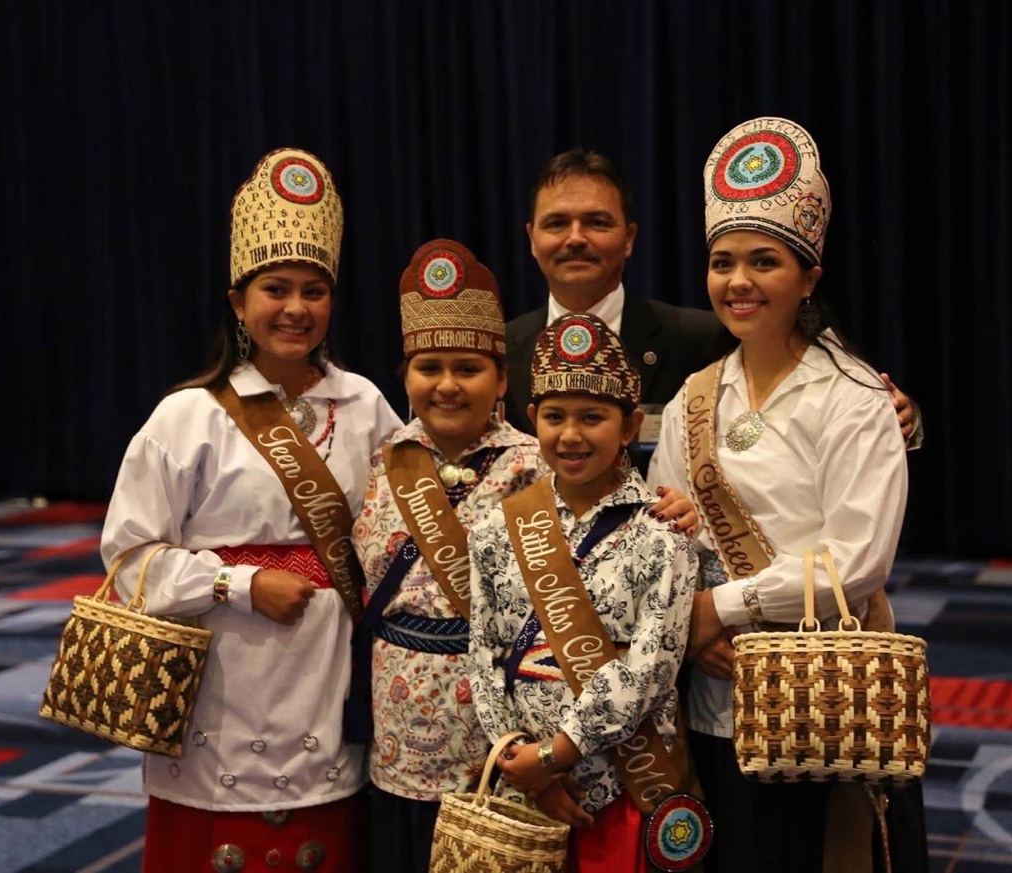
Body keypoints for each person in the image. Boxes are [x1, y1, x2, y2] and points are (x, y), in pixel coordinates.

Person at [350, 240, 699, 872]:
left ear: (503, 380)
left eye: (469, 367)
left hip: (563, 758)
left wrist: (549, 755)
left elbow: (644, 661)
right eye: (430, 367)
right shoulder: (381, 459)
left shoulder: (543, 470)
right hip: (420, 733)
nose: (448, 385)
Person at [99, 147, 401, 873]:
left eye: (313, 289)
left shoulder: (365, 408)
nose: (295, 308)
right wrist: (236, 584)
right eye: (275, 288)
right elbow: (130, 562)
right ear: (239, 301)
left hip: (329, 681)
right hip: (221, 684)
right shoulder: (185, 417)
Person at [647, 116, 918, 872]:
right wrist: (691, 627)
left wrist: (719, 610)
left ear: (808, 276)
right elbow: (661, 537)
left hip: (822, 692)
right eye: (722, 261)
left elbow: (855, 560)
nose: (737, 281)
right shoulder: (691, 401)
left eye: (763, 261)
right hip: (712, 684)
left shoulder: (854, 396)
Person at [468, 312, 705, 872]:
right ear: (532, 420)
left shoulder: (663, 538)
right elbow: (482, 653)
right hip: (522, 789)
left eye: (592, 417)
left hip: (624, 783)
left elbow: (649, 669)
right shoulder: (497, 528)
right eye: (555, 417)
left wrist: (558, 755)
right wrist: (518, 761)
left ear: (629, 426)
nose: (570, 435)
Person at [504, 148, 923, 451]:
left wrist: (898, 416)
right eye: (557, 223)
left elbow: (799, 396)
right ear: (531, 239)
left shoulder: (704, 338)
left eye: (596, 222)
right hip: (539, 564)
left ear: (629, 238)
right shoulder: (499, 350)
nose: (576, 238)